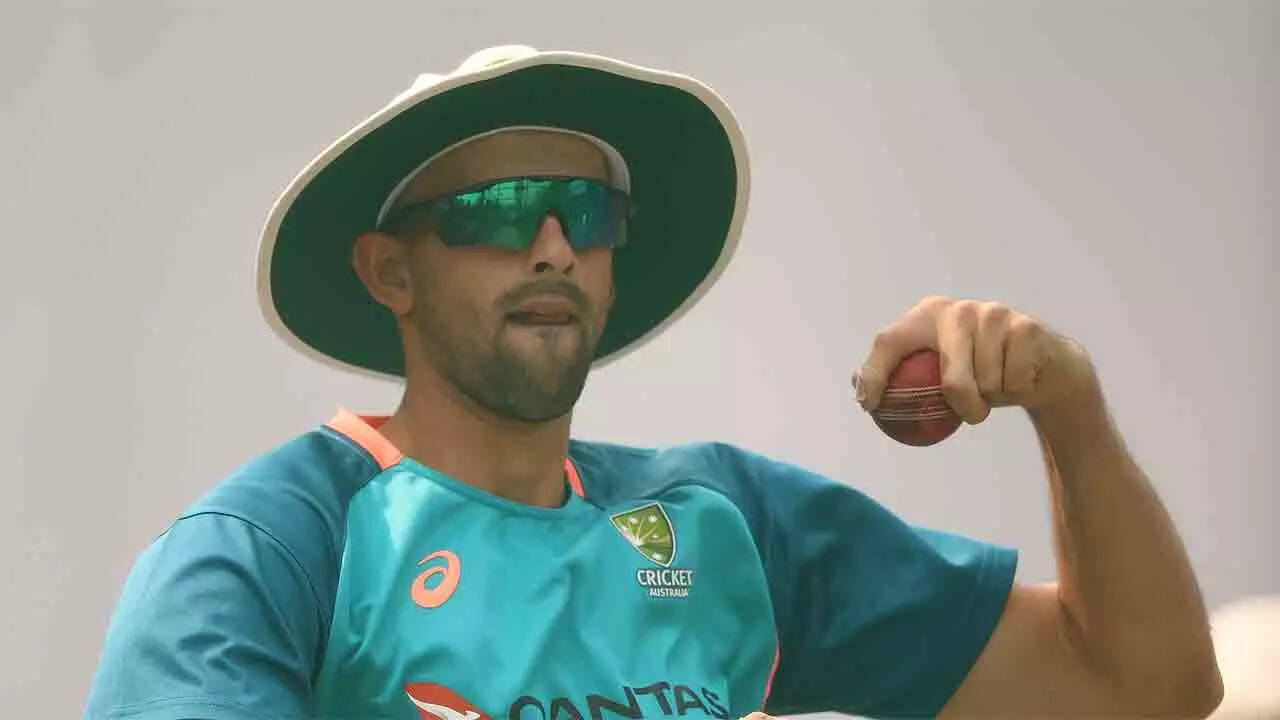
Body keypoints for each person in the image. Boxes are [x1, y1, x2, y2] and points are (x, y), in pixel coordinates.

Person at [85, 45, 1223, 720]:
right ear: (390, 272)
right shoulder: (268, 547)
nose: (550, 248)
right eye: (496, 212)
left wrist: (1068, 407)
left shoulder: (725, 524)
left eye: (585, 214)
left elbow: (1144, 688)